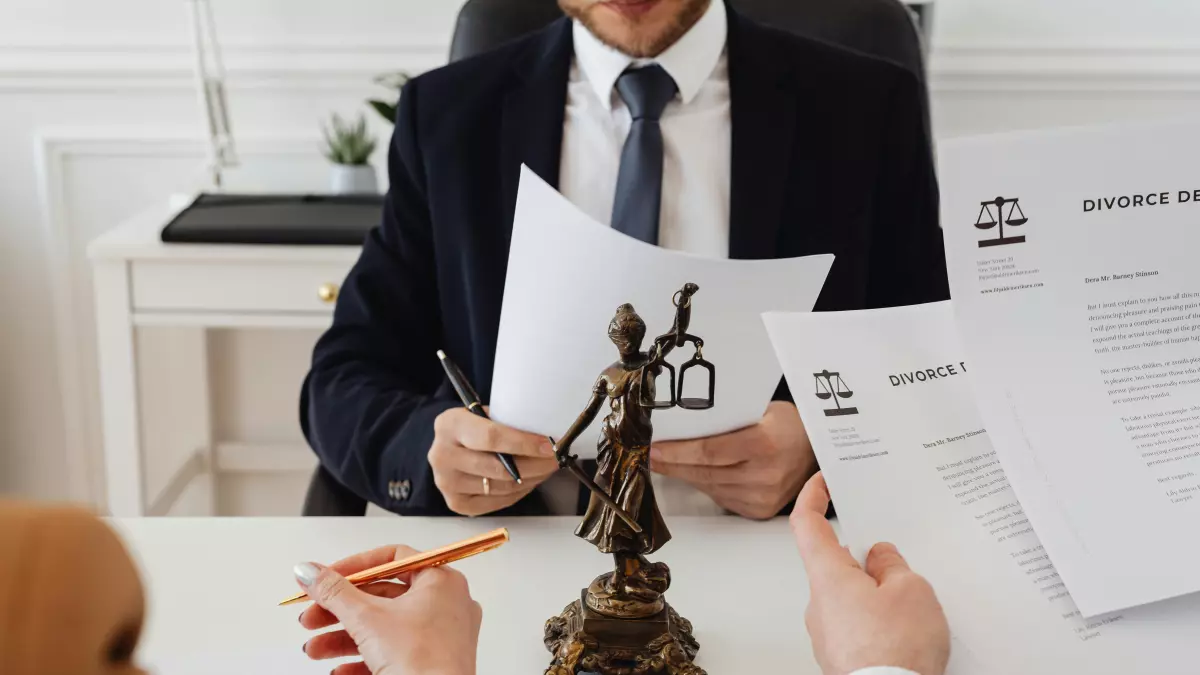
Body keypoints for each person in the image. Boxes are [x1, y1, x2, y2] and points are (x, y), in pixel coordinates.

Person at [301, 0, 949, 519]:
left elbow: (939, 370)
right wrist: (430, 447)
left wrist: (826, 448)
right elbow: (341, 379)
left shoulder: (865, 112)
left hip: (786, 565)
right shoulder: (445, 118)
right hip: (521, 562)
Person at [294, 472, 951, 675]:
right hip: (574, 497)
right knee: (624, 533)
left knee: (631, 531)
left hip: (721, 526)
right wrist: (884, 669)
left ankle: (631, 575)